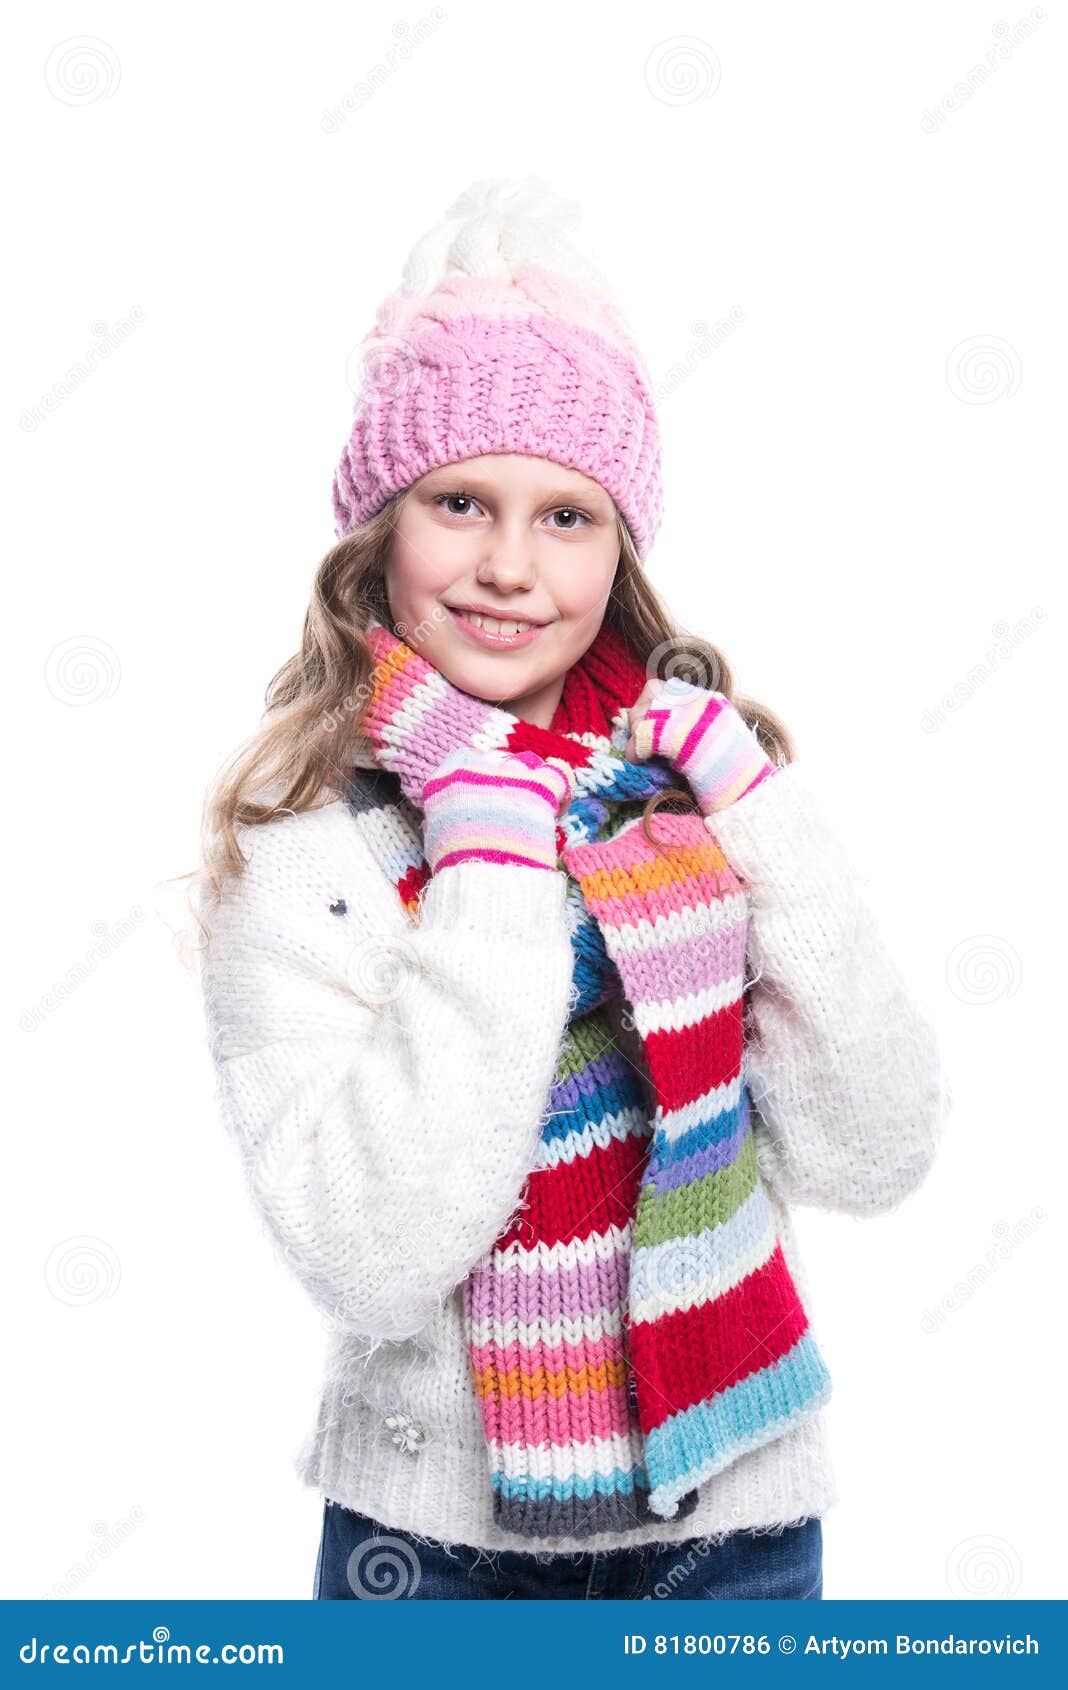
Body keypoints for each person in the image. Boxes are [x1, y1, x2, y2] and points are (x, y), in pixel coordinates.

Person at [192, 177, 950, 1601]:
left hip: (737, 1529)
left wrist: (766, 819)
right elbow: (376, 1255)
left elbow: (877, 1149)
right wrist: (488, 861)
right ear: (378, 527)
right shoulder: (311, 860)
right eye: (460, 501)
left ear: (622, 549)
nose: (506, 567)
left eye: (568, 518)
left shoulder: (693, 806)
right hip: (432, 1555)